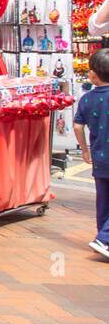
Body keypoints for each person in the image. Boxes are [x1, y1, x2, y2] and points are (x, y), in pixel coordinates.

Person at [73, 47, 109, 260]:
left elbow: (78, 127)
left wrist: (84, 150)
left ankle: (102, 238)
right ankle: (104, 239)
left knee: (103, 200)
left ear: (93, 74)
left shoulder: (86, 99)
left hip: (99, 157)